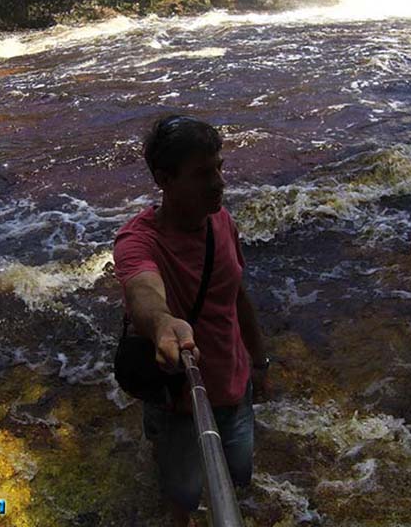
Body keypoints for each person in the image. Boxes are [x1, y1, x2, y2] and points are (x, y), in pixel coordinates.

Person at [113, 114, 269, 527]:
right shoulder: (138, 240)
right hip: (180, 400)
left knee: (237, 473)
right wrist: (163, 323)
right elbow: (142, 290)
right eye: (203, 173)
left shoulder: (222, 220)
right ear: (164, 179)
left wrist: (260, 360)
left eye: (219, 167)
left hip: (235, 385)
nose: (219, 182)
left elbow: (236, 292)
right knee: (181, 490)